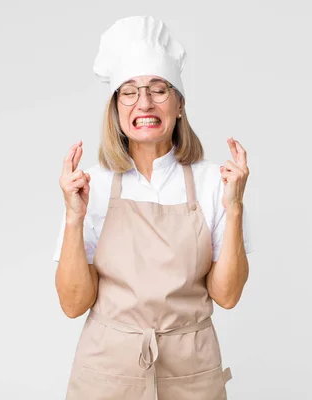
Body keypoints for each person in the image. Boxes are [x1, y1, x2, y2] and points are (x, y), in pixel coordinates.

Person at [52, 16, 253, 400]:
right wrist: (74, 218)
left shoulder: (217, 182)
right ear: (116, 109)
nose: (144, 103)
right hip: (107, 376)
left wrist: (236, 208)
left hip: (191, 374)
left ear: (179, 105)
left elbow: (226, 296)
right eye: (129, 92)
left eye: (159, 89)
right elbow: (74, 303)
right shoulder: (90, 185)